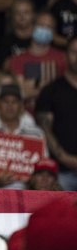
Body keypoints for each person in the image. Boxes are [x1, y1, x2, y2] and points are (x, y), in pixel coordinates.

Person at [35, 36, 77, 191]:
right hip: (61, 172)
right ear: (65, 56)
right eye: (74, 52)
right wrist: (65, 158)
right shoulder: (51, 91)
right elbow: (44, 129)